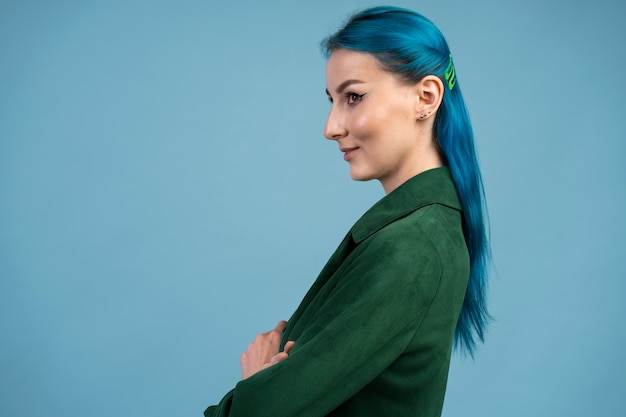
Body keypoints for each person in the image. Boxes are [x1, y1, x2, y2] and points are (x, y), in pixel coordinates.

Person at [204, 6, 490, 417]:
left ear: (426, 97)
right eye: (333, 100)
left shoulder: (412, 247)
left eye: (353, 97)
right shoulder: (412, 232)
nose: (331, 126)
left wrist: (253, 383)